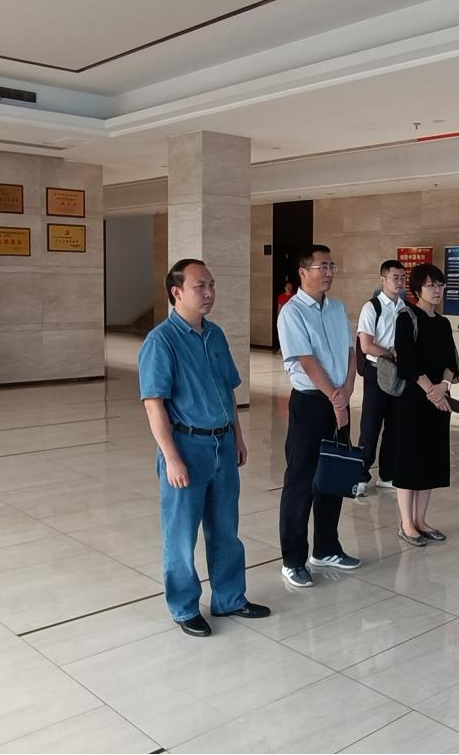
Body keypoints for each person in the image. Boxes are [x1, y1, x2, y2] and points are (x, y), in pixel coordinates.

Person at [138, 259, 270, 637]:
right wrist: (172, 457)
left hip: (222, 444)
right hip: (186, 447)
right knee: (181, 536)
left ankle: (229, 598)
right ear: (176, 292)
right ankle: (183, 607)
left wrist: (237, 437)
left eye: (211, 285)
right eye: (200, 286)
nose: (209, 293)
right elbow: (154, 404)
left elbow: (228, 390)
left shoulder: (216, 335)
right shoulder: (161, 341)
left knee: (226, 529)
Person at [276, 245, 361, 587]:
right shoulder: (292, 312)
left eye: (331, 266)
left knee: (334, 475)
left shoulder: (337, 308)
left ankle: (327, 547)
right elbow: (306, 360)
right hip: (311, 403)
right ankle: (293, 559)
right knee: (301, 481)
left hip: (339, 398)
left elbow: (351, 351)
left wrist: (347, 391)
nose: (328, 272)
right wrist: (334, 398)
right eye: (321, 266)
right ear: (303, 272)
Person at [392, 263, 459, 547]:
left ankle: (421, 520)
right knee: (410, 460)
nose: (437, 290)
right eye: (431, 285)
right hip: (412, 401)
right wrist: (431, 390)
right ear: (417, 289)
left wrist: (442, 386)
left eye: (440, 284)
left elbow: (452, 362)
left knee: (431, 459)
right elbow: (406, 362)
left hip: (437, 402)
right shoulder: (406, 318)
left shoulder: (443, 323)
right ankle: (406, 524)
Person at [353, 260, 406, 497]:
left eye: (402, 277)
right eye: (395, 277)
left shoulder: (405, 307)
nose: (400, 282)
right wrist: (392, 353)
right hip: (377, 371)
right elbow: (366, 345)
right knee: (371, 425)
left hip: (398, 373)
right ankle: (360, 477)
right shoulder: (371, 307)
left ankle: (388, 475)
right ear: (383, 279)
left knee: (395, 425)